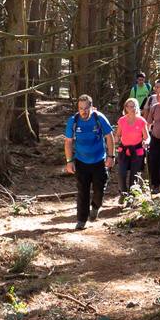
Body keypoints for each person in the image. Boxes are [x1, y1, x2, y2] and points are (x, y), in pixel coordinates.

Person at [63, 94, 114, 230]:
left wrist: (111, 156)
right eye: (81, 108)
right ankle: (81, 220)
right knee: (82, 191)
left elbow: (109, 136)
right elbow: (68, 142)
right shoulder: (73, 121)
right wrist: (69, 161)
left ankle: (96, 206)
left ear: (91, 107)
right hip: (81, 161)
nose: (83, 111)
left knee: (98, 190)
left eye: (86, 108)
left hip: (99, 160)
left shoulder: (99, 118)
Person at [115, 97, 150, 200]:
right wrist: (115, 140)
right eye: (128, 106)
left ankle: (132, 197)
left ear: (137, 107)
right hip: (124, 151)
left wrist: (146, 142)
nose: (131, 108)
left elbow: (147, 137)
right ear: (125, 107)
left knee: (134, 176)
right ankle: (123, 193)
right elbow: (118, 134)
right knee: (121, 173)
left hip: (137, 151)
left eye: (133, 106)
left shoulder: (141, 120)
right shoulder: (122, 120)